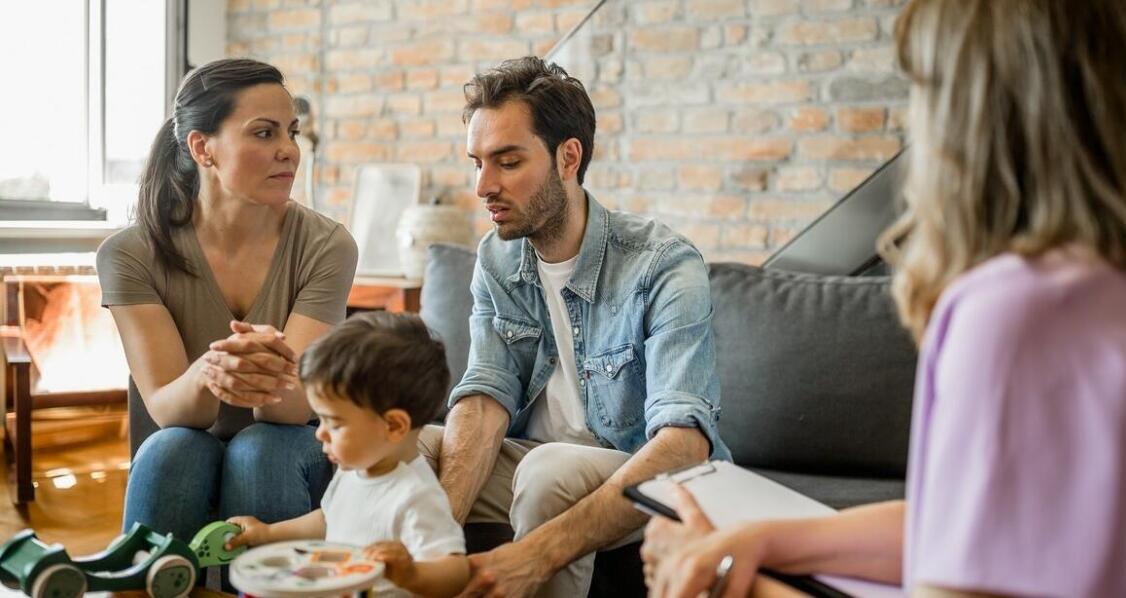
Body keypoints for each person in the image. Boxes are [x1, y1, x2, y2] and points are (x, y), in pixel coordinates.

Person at [641, 0, 1126, 596]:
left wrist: (724, 580)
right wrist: (760, 539)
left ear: (966, 116)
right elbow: (969, 530)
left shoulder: (1023, 313)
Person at [416, 56, 731, 598]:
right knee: (412, 448)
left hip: (636, 472)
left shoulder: (662, 263)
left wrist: (531, 556)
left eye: (508, 162)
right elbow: (485, 392)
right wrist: (438, 541)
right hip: (532, 459)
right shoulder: (497, 257)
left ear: (568, 156)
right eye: (477, 162)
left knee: (548, 471)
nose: (483, 186)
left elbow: (683, 443)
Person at [97, 58, 357, 547]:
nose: (288, 152)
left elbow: (292, 409)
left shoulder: (328, 246)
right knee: (173, 448)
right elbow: (171, 410)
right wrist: (215, 368)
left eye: (292, 132)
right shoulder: (130, 254)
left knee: (263, 449)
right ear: (203, 148)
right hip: (179, 435)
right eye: (263, 134)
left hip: (286, 439)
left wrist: (255, 367)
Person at [227, 312, 470, 597]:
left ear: (393, 426)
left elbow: (456, 571)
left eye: (335, 423)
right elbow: (328, 519)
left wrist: (412, 574)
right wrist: (267, 533)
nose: (320, 433)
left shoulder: (416, 495)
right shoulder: (353, 471)